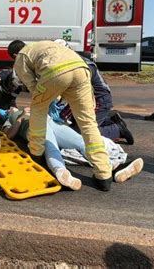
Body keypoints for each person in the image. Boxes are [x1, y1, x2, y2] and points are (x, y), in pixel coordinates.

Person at [8, 40, 112, 191]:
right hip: (81, 68)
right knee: (88, 123)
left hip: (56, 71)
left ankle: (36, 153)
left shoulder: (21, 57)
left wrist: (47, 96)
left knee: (38, 109)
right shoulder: (43, 45)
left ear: (14, 54)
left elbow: (32, 87)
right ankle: (104, 175)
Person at [0, 107, 144, 191]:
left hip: (52, 123)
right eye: (8, 108)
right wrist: (20, 117)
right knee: (51, 147)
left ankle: (115, 167)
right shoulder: (10, 118)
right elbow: (9, 135)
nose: (11, 107)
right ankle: (62, 173)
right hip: (34, 127)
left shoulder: (27, 107)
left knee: (82, 142)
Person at [53, 39, 134, 144]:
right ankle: (107, 120)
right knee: (73, 124)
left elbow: (80, 94)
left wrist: (64, 113)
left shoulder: (82, 66)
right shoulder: (73, 62)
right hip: (91, 99)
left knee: (81, 134)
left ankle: (117, 129)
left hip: (99, 100)